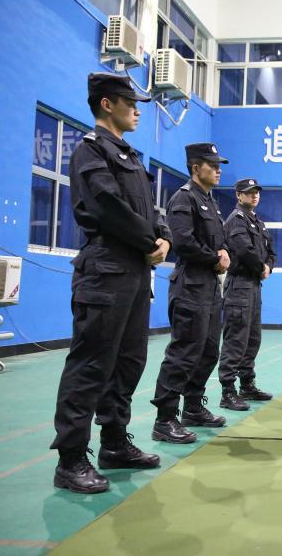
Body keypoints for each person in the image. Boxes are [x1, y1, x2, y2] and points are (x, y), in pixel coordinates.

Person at [51, 72, 171, 494]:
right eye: (129, 101)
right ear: (107, 104)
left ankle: (115, 443)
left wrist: (163, 238)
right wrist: (147, 241)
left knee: (129, 361)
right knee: (92, 363)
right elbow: (107, 206)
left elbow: (152, 210)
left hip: (136, 271)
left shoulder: (131, 157)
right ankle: (70, 460)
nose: (137, 109)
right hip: (107, 267)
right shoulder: (90, 152)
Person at [150, 143, 231, 443]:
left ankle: (193, 408)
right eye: (212, 165)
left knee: (209, 351)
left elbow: (218, 241)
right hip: (190, 287)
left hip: (210, 288)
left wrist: (223, 252)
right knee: (184, 353)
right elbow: (183, 242)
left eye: (219, 164)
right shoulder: (184, 199)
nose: (218, 169)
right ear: (196, 168)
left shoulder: (210, 202)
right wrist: (215, 258)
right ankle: (165, 419)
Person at [218, 178, 276, 411]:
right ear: (238, 195)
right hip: (239, 284)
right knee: (236, 338)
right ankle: (228, 391)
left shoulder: (259, 223)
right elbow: (244, 250)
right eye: (249, 193)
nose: (254, 196)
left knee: (252, 338)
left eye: (256, 193)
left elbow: (270, 251)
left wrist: (269, 266)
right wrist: (261, 267)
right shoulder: (236, 220)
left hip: (254, 286)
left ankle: (247, 384)